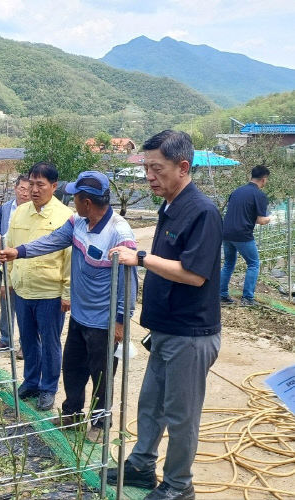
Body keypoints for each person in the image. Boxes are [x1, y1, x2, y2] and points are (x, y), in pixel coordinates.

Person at [107, 131, 222, 500]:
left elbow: (195, 273)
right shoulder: (170, 204)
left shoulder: (202, 211)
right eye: (146, 169)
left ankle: (177, 486)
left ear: (183, 167)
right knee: (151, 404)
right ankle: (141, 466)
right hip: (165, 327)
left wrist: (141, 258)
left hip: (191, 334)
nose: (149, 177)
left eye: (157, 169)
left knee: (181, 415)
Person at [0, 170, 137, 441]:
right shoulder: (78, 223)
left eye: (75, 197)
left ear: (87, 202)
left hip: (104, 319)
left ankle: (100, 422)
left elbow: (129, 283)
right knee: (73, 367)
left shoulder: (119, 233)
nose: (71, 200)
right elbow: (51, 241)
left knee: (102, 373)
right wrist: (19, 252)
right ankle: (72, 413)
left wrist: (121, 320)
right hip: (80, 314)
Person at [5, 161, 72, 411]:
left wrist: (67, 293)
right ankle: (31, 381)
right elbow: (10, 245)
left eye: (40, 184)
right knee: (28, 339)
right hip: (23, 289)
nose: (34, 189)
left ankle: (48, 388)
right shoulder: (20, 212)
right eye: (31, 183)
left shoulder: (65, 216)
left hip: (50, 292)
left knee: (51, 342)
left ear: (53, 186)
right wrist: (10, 278)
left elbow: (70, 259)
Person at [220, 165, 271, 306]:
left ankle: (221, 295)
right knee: (254, 263)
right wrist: (269, 219)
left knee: (228, 263)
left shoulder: (237, 191)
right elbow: (261, 220)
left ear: (251, 176)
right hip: (242, 234)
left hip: (226, 232)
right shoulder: (259, 195)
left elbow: (242, 213)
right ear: (264, 179)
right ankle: (248, 298)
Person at [0, 175, 30, 359]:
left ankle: (25, 344)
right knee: (5, 302)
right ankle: (6, 337)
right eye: (22, 189)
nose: (25, 193)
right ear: (15, 188)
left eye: (28, 189)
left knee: (24, 306)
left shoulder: (34, 210)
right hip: (5, 260)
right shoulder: (5, 208)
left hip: (25, 260)